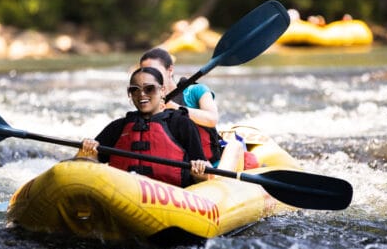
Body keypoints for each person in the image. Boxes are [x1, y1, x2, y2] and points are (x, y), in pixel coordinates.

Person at [77, 67, 211, 187]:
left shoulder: (181, 124)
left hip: (172, 201)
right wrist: (88, 152)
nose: (141, 94)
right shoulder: (118, 127)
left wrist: (200, 171)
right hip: (124, 195)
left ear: (162, 90)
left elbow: (202, 175)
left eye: (149, 88)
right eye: (135, 90)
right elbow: (88, 162)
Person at [138, 48, 259, 172]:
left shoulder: (196, 91)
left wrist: (174, 107)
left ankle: (217, 180)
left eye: (155, 71)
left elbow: (212, 119)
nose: (150, 77)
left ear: (170, 70)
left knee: (235, 145)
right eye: (146, 72)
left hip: (212, 164)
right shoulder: (147, 103)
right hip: (184, 168)